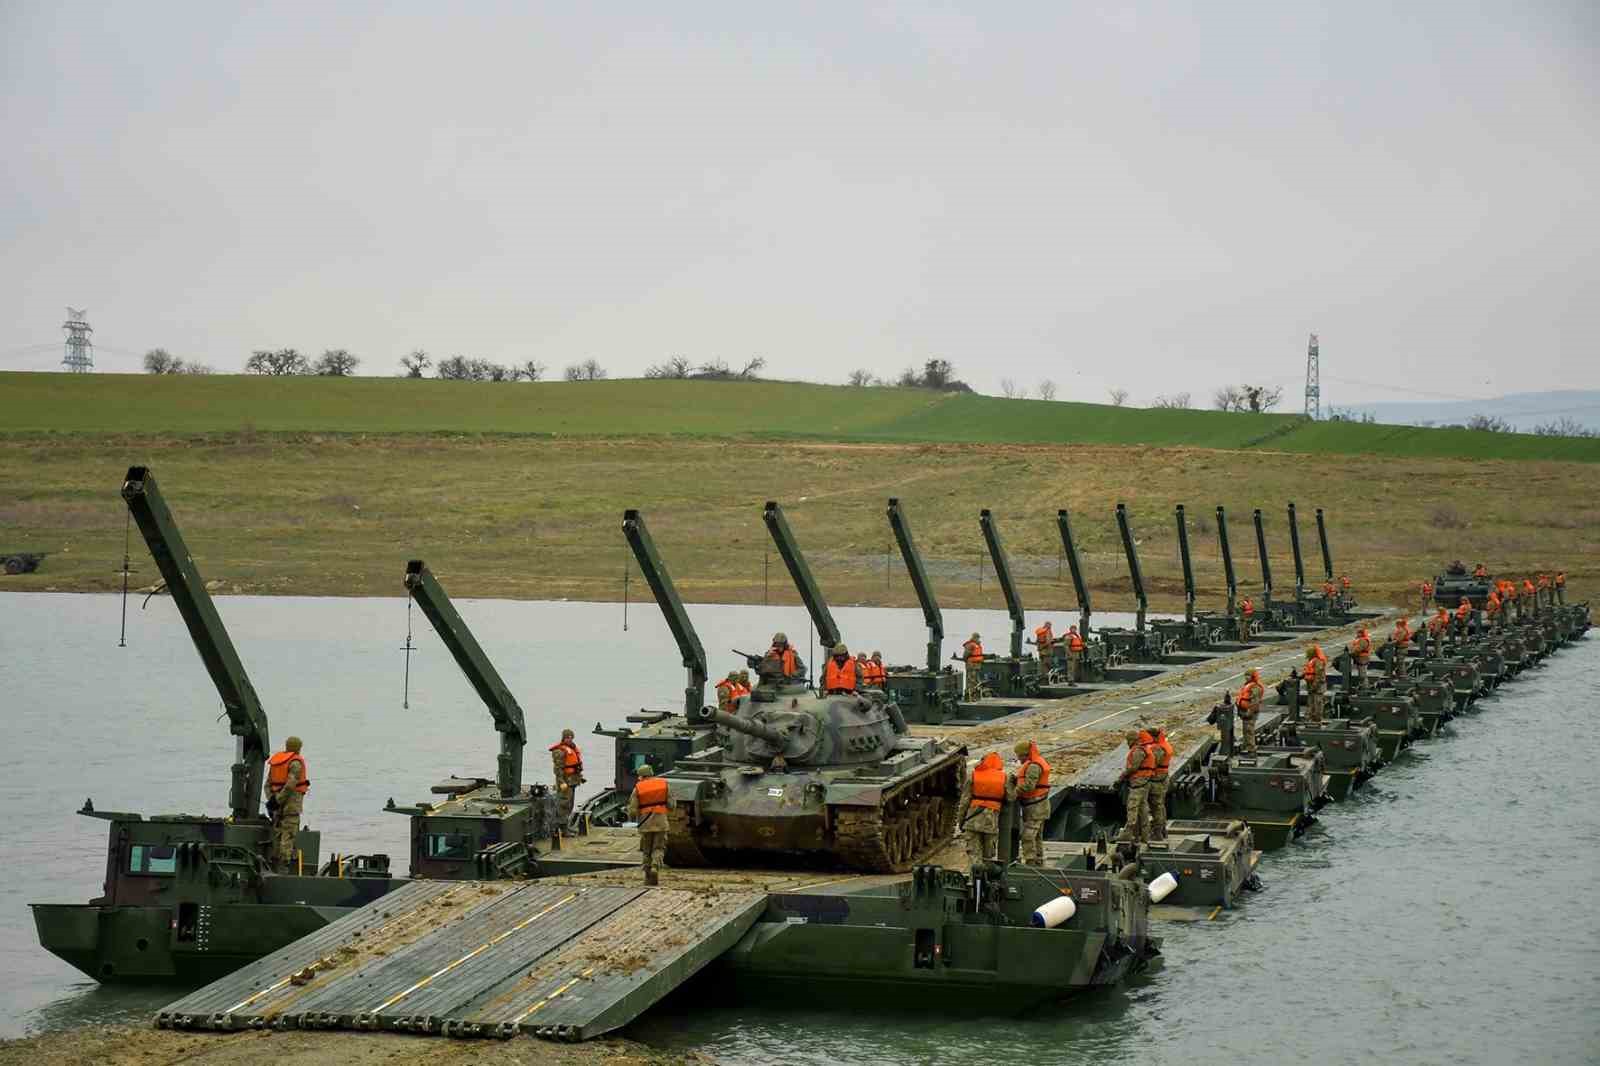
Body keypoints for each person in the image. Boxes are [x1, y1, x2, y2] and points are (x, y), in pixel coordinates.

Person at [265, 736, 309, 873]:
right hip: (291, 804)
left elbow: (267, 785)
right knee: (288, 834)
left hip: (276, 805)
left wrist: (272, 800)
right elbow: (291, 784)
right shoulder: (295, 763)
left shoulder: (277, 762)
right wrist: (278, 800)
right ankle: (284, 867)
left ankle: (273, 863)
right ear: (297, 748)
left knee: (277, 833)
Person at [964, 751, 1009, 868]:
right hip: (991, 822)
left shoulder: (974, 775)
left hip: (972, 819)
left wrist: (961, 821)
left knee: (974, 854)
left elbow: (964, 802)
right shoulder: (1003, 777)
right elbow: (1011, 797)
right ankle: (986, 881)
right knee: (988, 856)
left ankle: (974, 880)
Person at [627, 764, 669, 885]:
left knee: (647, 850)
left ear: (641, 776)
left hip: (645, 824)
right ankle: (655, 866)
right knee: (659, 848)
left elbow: (633, 809)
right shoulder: (664, 784)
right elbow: (672, 804)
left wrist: (632, 818)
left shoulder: (638, 788)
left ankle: (647, 876)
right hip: (661, 823)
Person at [1012, 740, 1051, 867]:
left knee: (1028, 836)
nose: (1018, 758)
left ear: (1026, 754)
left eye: (1019, 755)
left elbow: (1029, 786)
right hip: (1038, 806)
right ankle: (1038, 860)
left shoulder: (1034, 766)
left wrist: (1013, 792)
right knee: (1037, 836)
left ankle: (1031, 862)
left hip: (1036, 807)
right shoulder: (1033, 763)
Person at [1116, 730, 1156, 844]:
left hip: (1138, 784)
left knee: (1132, 808)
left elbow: (1134, 767)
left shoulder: (1138, 751)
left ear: (1132, 740)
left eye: (1128, 740)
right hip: (1144, 783)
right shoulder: (1144, 748)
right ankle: (1145, 836)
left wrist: (1121, 777)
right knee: (1143, 811)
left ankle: (1128, 835)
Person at [1144, 725, 1174, 844]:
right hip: (1163, 778)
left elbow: (1151, 762)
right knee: (1160, 805)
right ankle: (1162, 830)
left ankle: (1157, 833)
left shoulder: (1157, 749)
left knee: (1156, 807)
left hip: (1157, 781)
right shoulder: (1163, 745)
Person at [549, 729, 584, 824]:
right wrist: (561, 782)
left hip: (572, 781)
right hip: (565, 781)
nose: (570, 739)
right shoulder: (559, 751)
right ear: (563, 738)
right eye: (568, 737)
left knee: (570, 804)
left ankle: (566, 826)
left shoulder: (572, 748)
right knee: (563, 804)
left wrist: (580, 777)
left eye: (571, 737)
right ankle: (561, 827)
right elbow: (558, 769)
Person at [1235, 669, 1265, 753]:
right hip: (1244, 711)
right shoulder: (1247, 685)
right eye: (1245, 675)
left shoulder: (1255, 687)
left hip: (1250, 712)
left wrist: (1249, 712)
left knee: (1249, 730)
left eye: (1248, 675)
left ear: (1252, 676)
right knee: (1245, 730)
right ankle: (1247, 747)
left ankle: (1251, 749)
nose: (1246, 677)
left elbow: (1255, 701)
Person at [1302, 646, 1327, 725]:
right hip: (1311, 686)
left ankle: (1317, 720)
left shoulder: (1318, 662)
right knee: (1311, 703)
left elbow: (1318, 676)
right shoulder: (1311, 661)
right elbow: (1307, 672)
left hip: (1318, 687)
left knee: (1318, 703)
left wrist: (1314, 686)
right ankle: (1311, 719)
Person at [961, 633, 984, 701]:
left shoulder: (971, 645)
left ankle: (972, 697)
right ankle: (974, 697)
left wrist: (965, 660)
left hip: (973, 665)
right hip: (975, 666)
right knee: (974, 681)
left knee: (972, 681)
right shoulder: (977, 645)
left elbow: (965, 655)